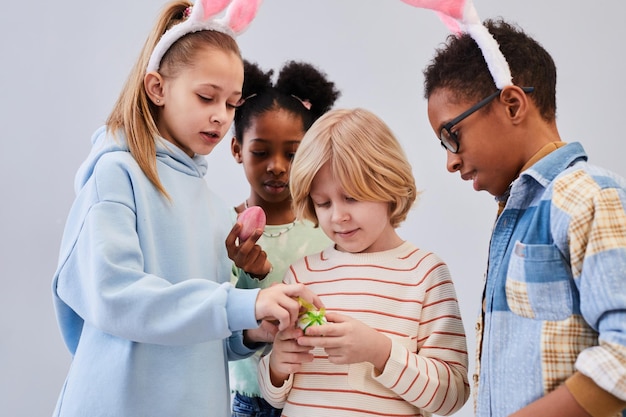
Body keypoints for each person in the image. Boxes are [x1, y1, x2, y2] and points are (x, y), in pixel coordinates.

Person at [50, 1, 322, 416]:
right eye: (206, 97)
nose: (219, 117)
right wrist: (240, 306)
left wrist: (252, 328)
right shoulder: (117, 175)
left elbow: (208, 335)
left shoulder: (214, 208)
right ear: (157, 87)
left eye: (231, 104)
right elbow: (114, 296)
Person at [422, 17, 626, 417]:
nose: (450, 161)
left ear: (512, 104)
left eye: (452, 135)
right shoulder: (515, 217)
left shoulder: (590, 196)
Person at [256, 108, 470, 417]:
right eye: (323, 203)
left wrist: (381, 353)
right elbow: (275, 397)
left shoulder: (425, 274)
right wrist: (276, 367)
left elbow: (452, 395)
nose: (338, 216)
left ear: (389, 187)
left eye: (352, 198)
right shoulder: (303, 274)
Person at [226, 60, 340, 417]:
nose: (277, 165)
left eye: (292, 154)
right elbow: (215, 321)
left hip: (319, 398)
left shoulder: (329, 228)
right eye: (261, 152)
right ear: (236, 150)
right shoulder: (225, 232)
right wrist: (244, 275)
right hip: (252, 400)